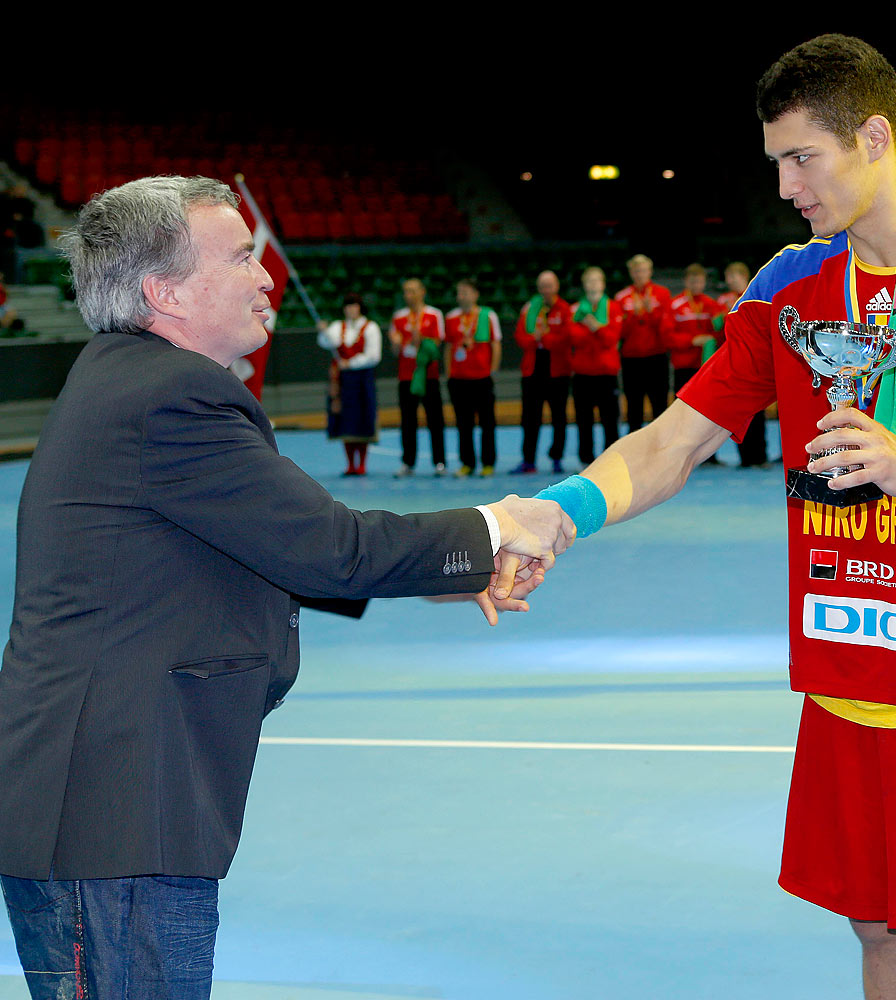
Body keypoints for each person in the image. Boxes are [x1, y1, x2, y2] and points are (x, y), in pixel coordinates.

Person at [518, 35, 896, 1000]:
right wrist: (555, 514)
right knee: (881, 938)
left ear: (874, 137)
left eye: (804, 158)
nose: (788, 187)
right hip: (846, 671)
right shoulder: (789, 285)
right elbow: (675, 440)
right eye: (777, 164)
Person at [0, 175, 574, 1000]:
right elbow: (327, 548)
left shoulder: (127, 381)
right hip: (115, 816)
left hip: (104, 812)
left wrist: (453, 574)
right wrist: (497, 525)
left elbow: (253, 546)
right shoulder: (172, 394)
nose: (265, 273)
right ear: (163, 290)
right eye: (238, 256)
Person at [513, 270, 573, 474]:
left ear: (556, 287)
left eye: (549, 286)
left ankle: (557, 459)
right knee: (530, 417)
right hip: (533, 369)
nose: (545, 290)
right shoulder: (529, 309)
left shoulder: (564, 309)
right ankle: (528, 460)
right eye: (542, 286)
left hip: (557, 370)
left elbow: (566, 338)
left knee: (559, 417)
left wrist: (544, 338)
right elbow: (520, 337)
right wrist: (535, 339)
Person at [442, 277, 502, 477]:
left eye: (466, 292)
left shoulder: (488, 315)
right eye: (459, 292)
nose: (462, 296)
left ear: (475, 294)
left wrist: (491, 370)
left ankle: (488, 463)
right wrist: (449, 373)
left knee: (487, 422)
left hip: (482, 378)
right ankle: (467, 463)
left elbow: (495, 344)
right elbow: (449, 347)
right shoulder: (451, 318)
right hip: (459, 379)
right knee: (463, 423)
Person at [317, 292, 381, 476]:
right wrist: (323, 331)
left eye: (354, 305)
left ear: (360, 308)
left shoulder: (371, 328)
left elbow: (373, 356)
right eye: (348, 306)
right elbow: (326, 342)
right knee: (345, 421)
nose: (351, 309)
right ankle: (350, 463)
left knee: (362, 419)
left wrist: (350, 363)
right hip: (343, 382)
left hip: (361, 380)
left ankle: (362, 463)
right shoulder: (338, 327)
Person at [389, 277, 447, 477]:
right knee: (407, 420)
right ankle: (408, 462)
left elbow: (437, 345)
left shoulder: (434, 315)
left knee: (435, 419)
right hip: (406, 376)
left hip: (428, 375)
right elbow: (395, 349)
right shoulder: (398, 317)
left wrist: (420, 339)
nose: (409, 295)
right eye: (406, 291)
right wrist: (396, 343)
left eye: (413, 290)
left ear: (422, 292)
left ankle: (440, 461)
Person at [717, 261, 771, 468]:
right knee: (739, 412)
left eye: (733, 276)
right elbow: (718, 328)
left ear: (744, 276)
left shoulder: (756, 295)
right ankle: (745, 458)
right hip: (734, 363)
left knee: (758, 412)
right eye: (728, 277)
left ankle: (761, 456)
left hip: (756, 363)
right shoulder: (722, 301)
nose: (730, 280)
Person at [569, 266, 623, 465]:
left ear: (603, 284)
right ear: (584, 285)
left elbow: (611, 339)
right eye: (589, 281)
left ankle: (611, 460)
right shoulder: (574, 309)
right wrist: (599, 329)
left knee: (610, 419)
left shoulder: (613, 307)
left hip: (606, 372)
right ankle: (586, 461)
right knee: (584, 420)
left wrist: (591, 325)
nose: (593, 284)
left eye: (596, 280)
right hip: (583, 373)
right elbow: (574, 338)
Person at [614, 253, 673, 432]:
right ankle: (635, 454)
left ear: (650, 271)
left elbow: (667, 328)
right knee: (633, 407)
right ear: (631, 273)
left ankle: (661, 451)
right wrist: (634, 316)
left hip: (657, 357)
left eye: (643, 270)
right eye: (636, 271)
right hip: (632, 359)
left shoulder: (662, 294)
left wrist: (651, 313)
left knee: (660, 406)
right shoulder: (621, 297)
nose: (640, 274)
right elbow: (620, 331)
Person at [668, 263, 724, 394]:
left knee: (706, 407)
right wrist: (692, 341)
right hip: (683, 365)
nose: (696, 285)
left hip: (706, 365)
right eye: (693, 282)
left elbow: (720, 333)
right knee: (682, 408)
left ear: (705, 282)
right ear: (685, 281)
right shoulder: (675, 304)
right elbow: (667, 337)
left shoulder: (712, 304)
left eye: (700, 282)